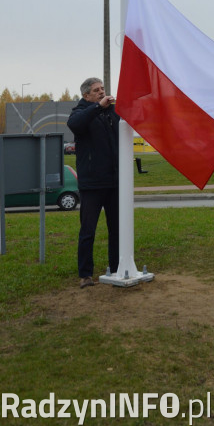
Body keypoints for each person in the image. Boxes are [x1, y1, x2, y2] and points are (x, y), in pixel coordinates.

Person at [67, 77, 119, 288]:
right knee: (88, 230)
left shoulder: (112, 112)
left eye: (102, 89)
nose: (101, 92)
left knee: (116, 229)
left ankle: (116, 269)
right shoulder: (80, 113)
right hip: (91, 184)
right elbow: (75, 125)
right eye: (96, 90)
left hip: (113, 182)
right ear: (86, 95)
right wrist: (98, 107)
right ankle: (85, 275)